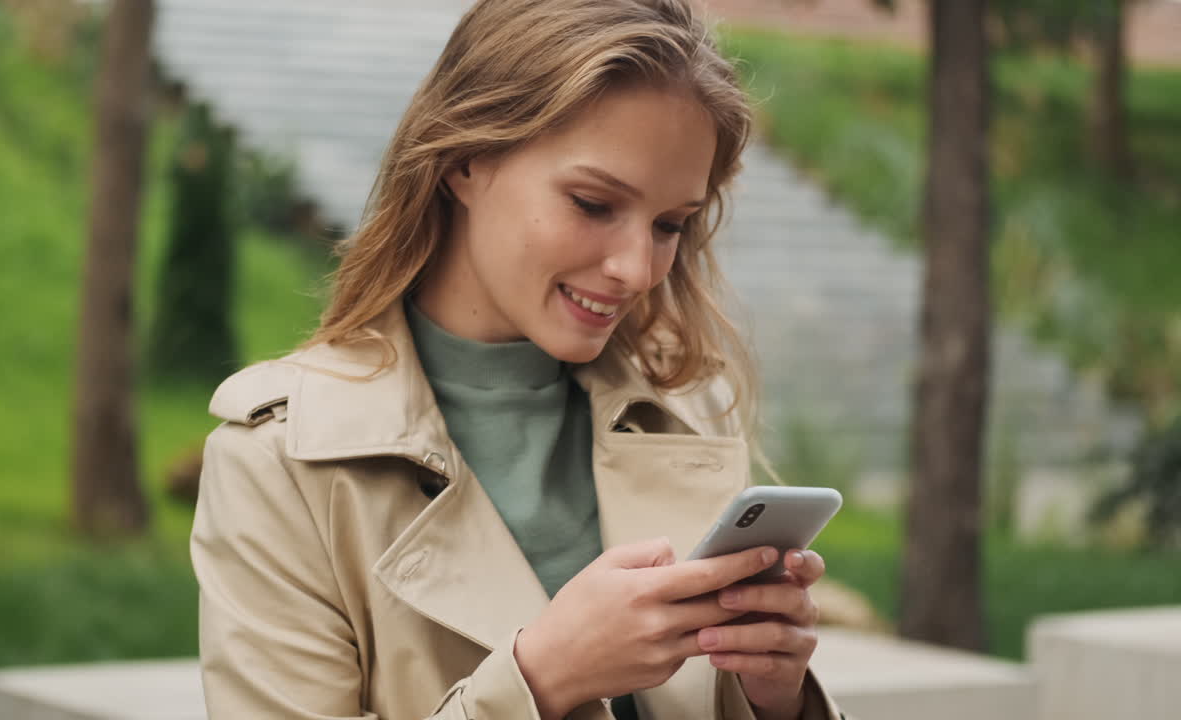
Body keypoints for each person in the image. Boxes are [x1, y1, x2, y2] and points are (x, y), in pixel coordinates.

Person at [191, 0, 844, 718]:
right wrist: (542, 678)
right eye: (594, 203)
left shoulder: (683, 411)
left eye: (670, 225)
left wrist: (777, 700)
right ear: (466, 159)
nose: (636, 267)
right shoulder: (281, 460)